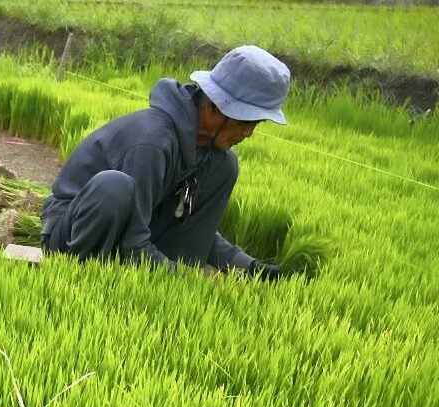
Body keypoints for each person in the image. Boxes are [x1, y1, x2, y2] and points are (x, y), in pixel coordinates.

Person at [41, 45, 293, 279]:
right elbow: (132, 241)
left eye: (256, 124)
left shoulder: (216, 159)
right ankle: (81, 281)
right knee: (113, 187)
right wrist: (185, 279)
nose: (248, 133)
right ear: (213, 108)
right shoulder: (152, 143)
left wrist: (251, 268)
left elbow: (197, 233)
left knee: (226, 166)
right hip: (73, 234)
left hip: (138, 233)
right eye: (244, 122)